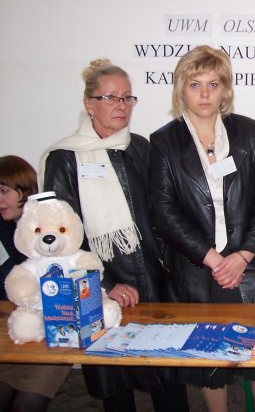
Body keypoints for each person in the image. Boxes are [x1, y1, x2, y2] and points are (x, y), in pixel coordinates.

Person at [42, 59, 188, 412]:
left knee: (167, 376)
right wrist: (104, 285)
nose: (121, 105)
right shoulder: (65, 157)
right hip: (103, 286)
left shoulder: (140, 147)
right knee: (115, 382)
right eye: (110, 97)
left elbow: (160, 211)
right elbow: (60, 237)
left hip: (154, 280)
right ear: (89, 103)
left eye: (127, 97)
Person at [148, 45, 255, 412]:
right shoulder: (164, 142)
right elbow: (164, 213)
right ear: (181, 89)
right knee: (210, 366)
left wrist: (244, 254)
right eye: (195, 84)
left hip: (251, 270)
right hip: (199, 273)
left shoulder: (247, 131)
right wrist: (213, 259)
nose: (205, 94)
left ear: (225, 89)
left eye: (213, 84)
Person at [0, 155, 72, 412]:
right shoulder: (3, 228)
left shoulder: (51, 225)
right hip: (10, 330)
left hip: (53, 326)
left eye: (4, 191)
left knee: (26, 404)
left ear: (25, 189)